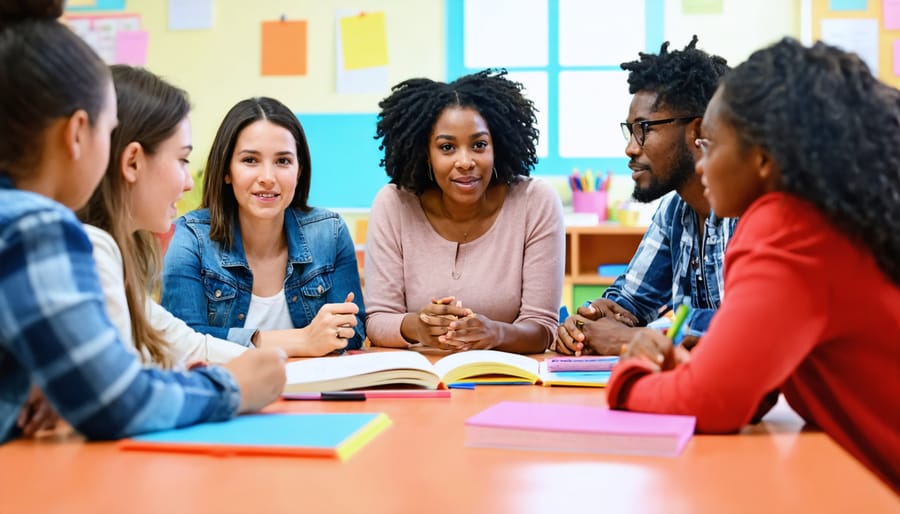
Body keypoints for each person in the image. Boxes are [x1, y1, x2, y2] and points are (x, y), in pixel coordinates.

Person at [608, 38, 900, 493]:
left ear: (762, 159)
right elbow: (752, 385)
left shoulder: (785, 228)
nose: (702, 162)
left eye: (712, 144)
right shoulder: (824, 218)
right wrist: (700, 363)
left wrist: (628, 377)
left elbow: (712, 403)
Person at [0, 0, 284, 442]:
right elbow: (117, 400)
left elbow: (163, 348)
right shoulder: (37, 226)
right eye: (106, 130)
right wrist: (235, 388)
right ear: (77, 134)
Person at [557, 36, 737, 356]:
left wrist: (639, 336)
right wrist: (592, 317)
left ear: (696, 132)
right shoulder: (675, 211)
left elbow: (747, 325)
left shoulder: (745, 208)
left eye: (645, 128)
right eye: (629, 130)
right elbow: (632, 300)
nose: (631, 148)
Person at [364, 69, 564, 354]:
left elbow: (543, 328)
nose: (465, 161)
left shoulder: (535, 202)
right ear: (426, 154)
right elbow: (378, 319)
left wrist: (497, 333)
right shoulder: (394, 204)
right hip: (422, 380)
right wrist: (417, 326)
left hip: (507, 378)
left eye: (479, 145)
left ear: (497, 146)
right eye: (447, 147)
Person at [162, 97, 364, 356]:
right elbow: (182, 341)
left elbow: (355, 333)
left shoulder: (330, 232)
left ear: (299, 170)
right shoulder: (189, 238)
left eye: (283, 161)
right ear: (226, 170)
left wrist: (340, 330)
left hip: (313, 393)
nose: (268, 178)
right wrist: (302, 340)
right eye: (250, 160)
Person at [76, 65, 248, 368]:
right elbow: (126, 393)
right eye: (181, 160)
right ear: (132, 162)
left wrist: (275, 365)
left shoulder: (120, 255)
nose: (189, 182)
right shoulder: (90, 251)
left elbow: (186, 344)